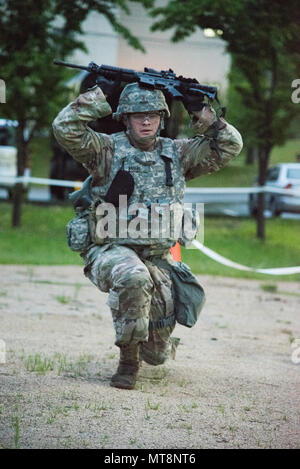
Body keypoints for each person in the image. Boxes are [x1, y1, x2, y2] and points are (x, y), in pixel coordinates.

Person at [52, 79, 243, 390]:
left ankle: (153, 349)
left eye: (152, 115)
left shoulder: (178, 154)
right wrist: (101, 93)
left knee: (156, 355)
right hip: (111, 249)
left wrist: (201, 111)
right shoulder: (105, 149)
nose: (145, 121)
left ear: (162, 118)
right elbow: (64, 127)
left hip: (159, 256)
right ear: (124, 118)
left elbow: (230, 144)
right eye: (138, 115)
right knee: (133, 277)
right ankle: (127, 362)